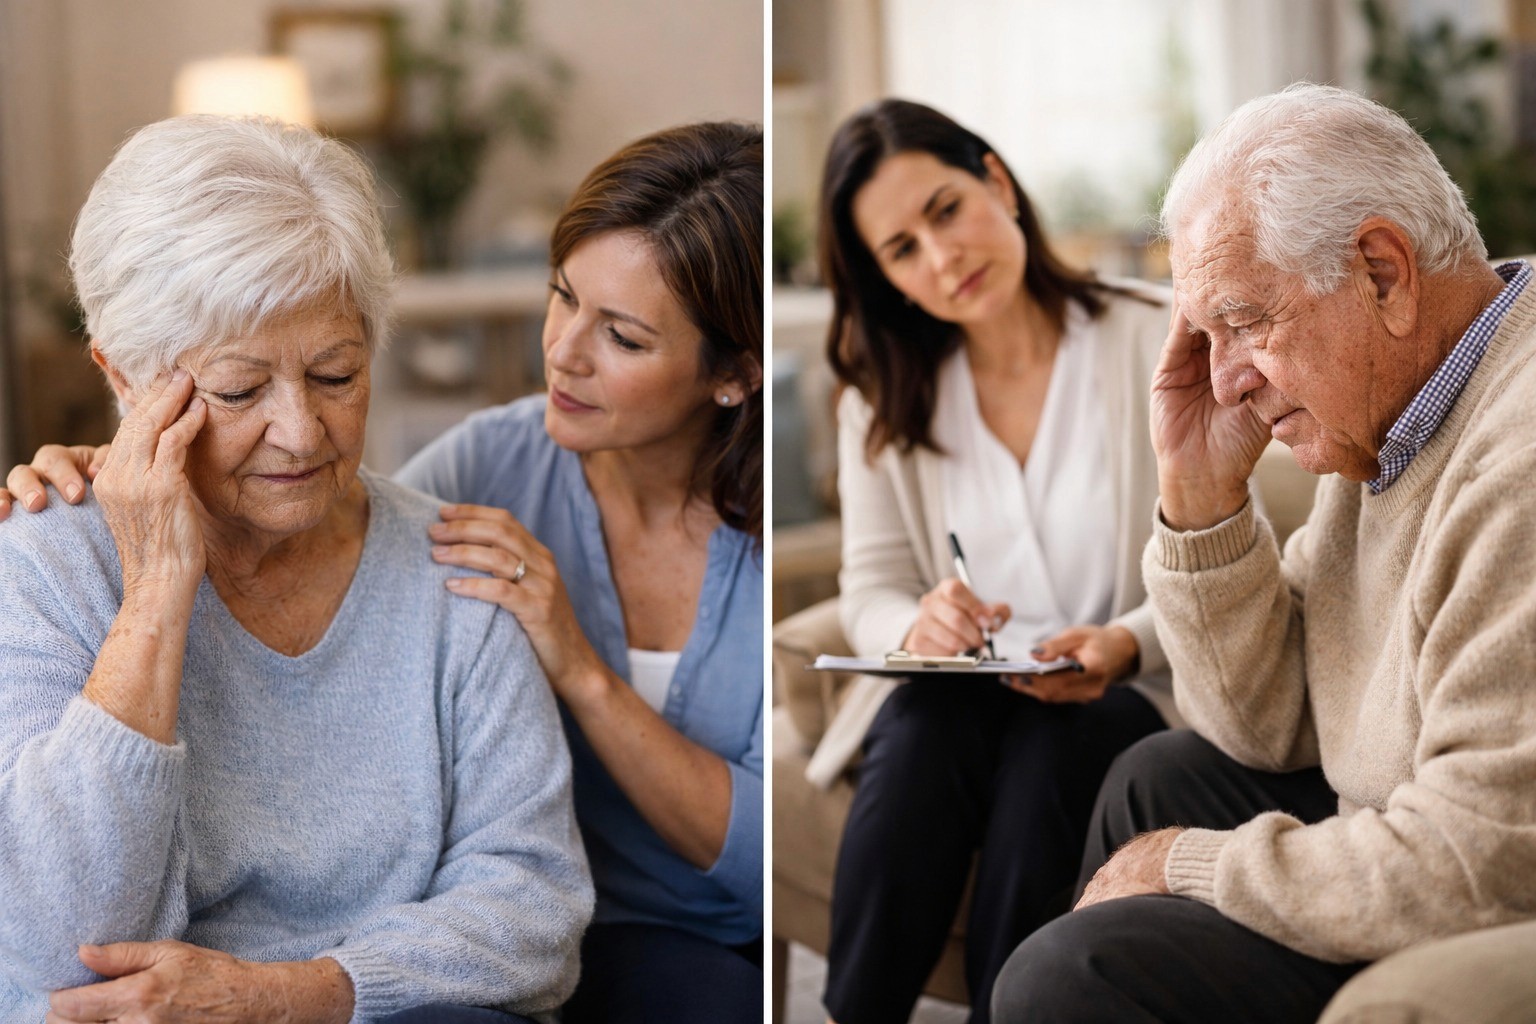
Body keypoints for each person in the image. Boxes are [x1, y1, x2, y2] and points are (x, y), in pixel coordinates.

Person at [4, 121, 765, 1024]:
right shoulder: (46, 558)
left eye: (337, 373)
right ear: (125, 380)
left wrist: (291, 995)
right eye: (242, 390)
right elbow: (56, 954)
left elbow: (533, 904)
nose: (302, 433)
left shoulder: (462, 554)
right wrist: (159, 590)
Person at [991, 83, 1536, 1024]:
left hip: (1471, 881)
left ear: (1381, 272)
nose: (1227, 380)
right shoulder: (1397, 410)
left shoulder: (1516, 462)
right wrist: (1199, 498)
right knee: (1154, 773)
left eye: (1243, 321)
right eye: (1205, 336)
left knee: (1066, 978)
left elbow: (1482, 856)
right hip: (1407, 813)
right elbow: (1267, 724)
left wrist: (1189, 865)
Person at [808, 98, 1181, 1024]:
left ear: (998, 183)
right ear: (886, 279)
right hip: (963, 702)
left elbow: (1227, 558)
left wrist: (1124, 644)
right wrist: (914, 625)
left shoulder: (1155, 343)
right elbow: (872, 586)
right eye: (901, 250)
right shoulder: (885, 402)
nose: (941, 259)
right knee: (924, 719)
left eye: (944, 210)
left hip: (1126, 691)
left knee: (1056, 744)